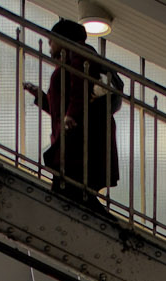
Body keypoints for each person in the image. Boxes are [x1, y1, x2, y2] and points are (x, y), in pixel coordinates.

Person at [25, 20, 121, 214]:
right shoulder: (74, 59)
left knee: (68, 192)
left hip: (79, 142)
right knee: (76, 194)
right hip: (79, 138)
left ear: (63, 39)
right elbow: (64, 108)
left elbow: (80, 91)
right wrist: (41, 97)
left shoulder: (78, 56)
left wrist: (71, 116)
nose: (49, 45)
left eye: (52, 40)